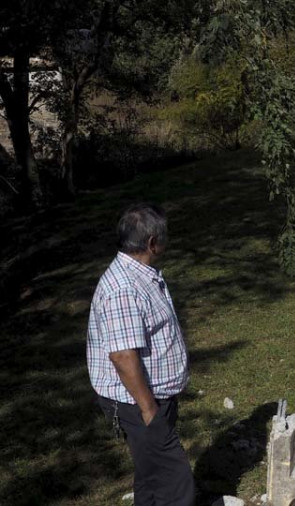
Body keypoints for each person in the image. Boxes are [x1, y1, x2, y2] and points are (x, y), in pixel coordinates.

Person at [88, 203, 195, 505]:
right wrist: (150, 411)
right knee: (177, 484)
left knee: (151, 476)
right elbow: (123, 357)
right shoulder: (123, 288)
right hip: (139, 404)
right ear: (152, 243)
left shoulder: (138, 274)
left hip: (152, 400)